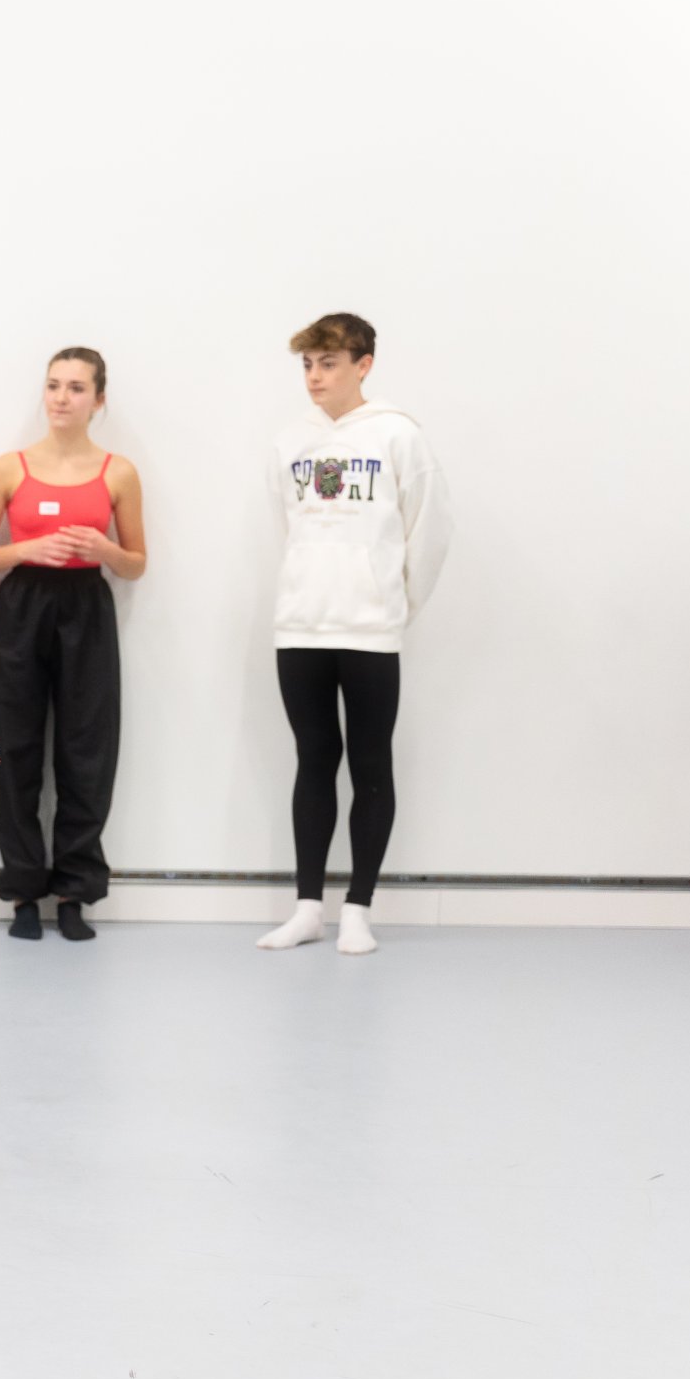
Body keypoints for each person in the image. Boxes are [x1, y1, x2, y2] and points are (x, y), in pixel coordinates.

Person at [254, 312, 453, 956]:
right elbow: (288, 530)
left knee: (371, 764)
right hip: (301, 626)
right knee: (313, 761)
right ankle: (308, 906)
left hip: (370, 631)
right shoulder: (289, 442)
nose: (314, 377)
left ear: (363, 364)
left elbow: (430, 533)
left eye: (328, 363)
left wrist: (392, 603)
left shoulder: (400, 436)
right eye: (307, 364)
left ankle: (358, 909)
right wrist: (306, 589)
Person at [0, 348, 148, 941]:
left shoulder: (118, 472)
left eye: (76, 387)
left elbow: (137, 563)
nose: (62, 397)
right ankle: (22, 890)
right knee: (13, 749)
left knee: (86, 751)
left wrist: (105, 552)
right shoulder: (8, 468)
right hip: (22, 609)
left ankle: (74, 890)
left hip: (87, 610)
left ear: (99, 399)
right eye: (53, 385)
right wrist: (24, 551)